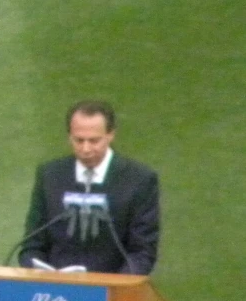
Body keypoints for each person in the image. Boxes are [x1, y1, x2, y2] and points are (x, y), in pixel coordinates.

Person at [17, 100, 160, 274]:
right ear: (69, 136)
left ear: (111, 135)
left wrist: (116, 288)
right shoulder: (50, 175)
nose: (85, 149)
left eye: (94, 141)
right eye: (78, 140)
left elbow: (142, 252)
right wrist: (37, 271)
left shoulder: (139, 179)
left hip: (112, 292)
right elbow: (32, 244)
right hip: (55, 292)